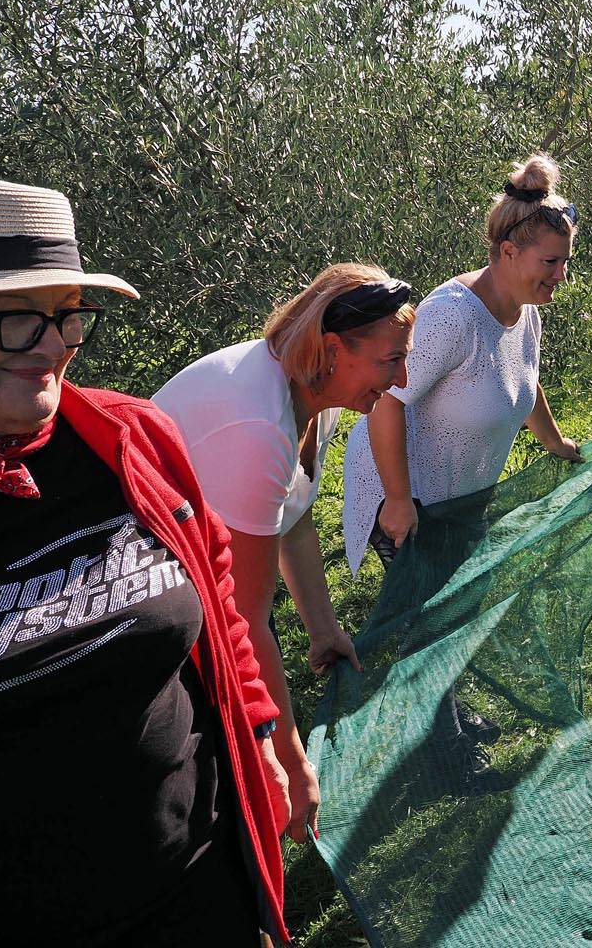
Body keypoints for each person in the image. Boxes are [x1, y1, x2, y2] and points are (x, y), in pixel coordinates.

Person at [0, 179, 290, 945]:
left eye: (67, 316)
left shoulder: (131, 440)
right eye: (20, 319)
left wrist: (260, 736)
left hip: (200, 890)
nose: (57, 344)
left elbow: (216, 596)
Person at [153, 262, 414, 845]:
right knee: (218, 774)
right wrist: (294, 766)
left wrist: (322, 629)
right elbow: (243, 616)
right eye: (389, 359)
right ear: (330, 348)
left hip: (196, 582)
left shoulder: (303, 390)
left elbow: (289, 522)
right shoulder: (258, 424)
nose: (399, 380)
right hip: (152, 604)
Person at [341, 153, 581, 578]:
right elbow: (385, 401)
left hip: (458, 499)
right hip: (405, 492)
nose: (562, 275)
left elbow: (522, 382)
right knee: (430, 619)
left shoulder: (527, 312)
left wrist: (555, 443)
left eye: (566, 261)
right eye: (551, 262)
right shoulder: (453, 316)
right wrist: (397, 501)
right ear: (508, 251)